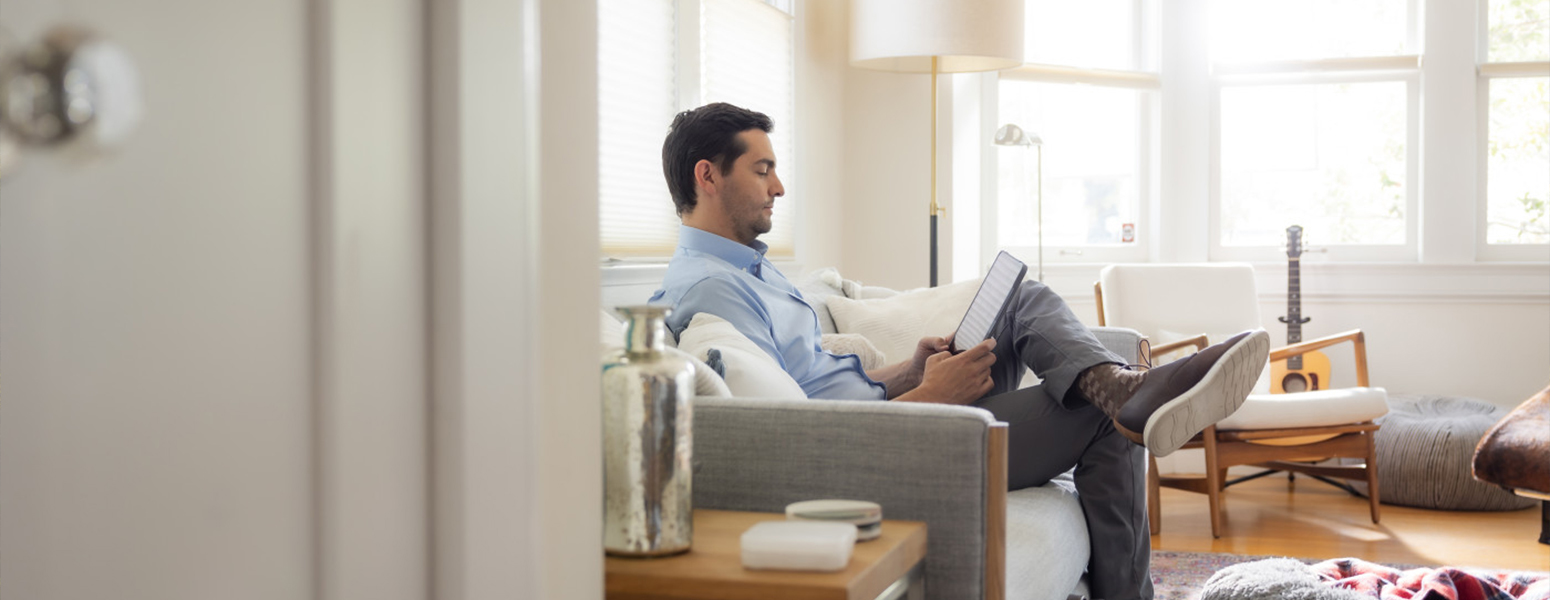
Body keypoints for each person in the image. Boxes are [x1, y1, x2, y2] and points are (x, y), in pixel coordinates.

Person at [648, 102, 1269, 600]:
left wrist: (907, 372)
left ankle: (1119, 384)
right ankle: (1123, 401)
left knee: (1018, 296)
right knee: (1103, 421)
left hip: (895, 411)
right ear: (708, 175)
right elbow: (788, 435)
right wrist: (925, 400)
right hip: (893, 448)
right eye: (762, 169)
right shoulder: (710, 290)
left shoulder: (752, 271)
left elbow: (813, 382)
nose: (779, 187)